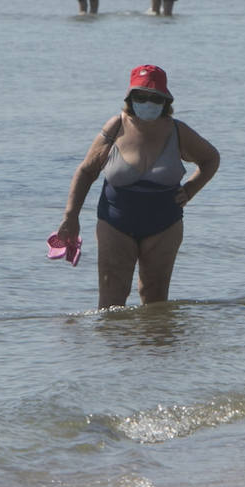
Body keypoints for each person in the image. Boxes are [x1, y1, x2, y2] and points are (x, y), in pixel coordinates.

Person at [55, 65, 220, 309]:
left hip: (164, 225)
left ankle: (152, 347)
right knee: (111, 303)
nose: (147, 102)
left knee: (155, 302)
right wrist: (71, 217)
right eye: (140, 96)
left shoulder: (179, 131)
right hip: (115, 223)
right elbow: (87, 171)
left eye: (154, 97)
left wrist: (190, 189)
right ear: (130, 98)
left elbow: (211, 159)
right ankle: (114, 347)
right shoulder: (115, 127)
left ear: (165, 100)